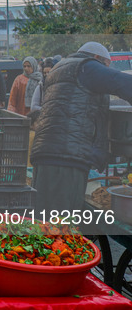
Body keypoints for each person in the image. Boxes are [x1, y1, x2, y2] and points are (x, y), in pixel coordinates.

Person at [31, 41, 132, 214]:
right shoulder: (87, 67)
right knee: (60, 223)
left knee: (43, 218)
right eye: (106, 66)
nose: (106, 70)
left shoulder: (59, 68)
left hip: (46, 154)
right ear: (97, 58)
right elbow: (123, 82)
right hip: (66, 158)